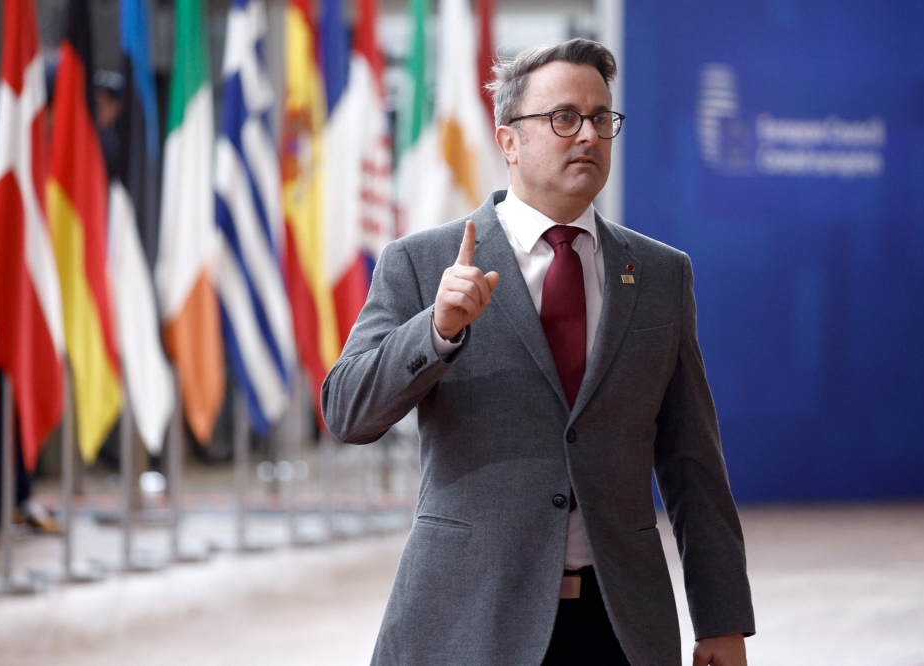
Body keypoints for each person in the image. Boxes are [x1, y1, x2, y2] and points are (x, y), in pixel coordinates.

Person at [322, 38, 755, 666]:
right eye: (563, 118)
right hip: (468, 622)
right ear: (509, 141)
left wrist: (722, 621)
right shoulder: (422, 261)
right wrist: (435, 331)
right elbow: (346, 411)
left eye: (601, 118)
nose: (588, 135)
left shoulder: (662, 275)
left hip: (621, 627)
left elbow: (693, 463)